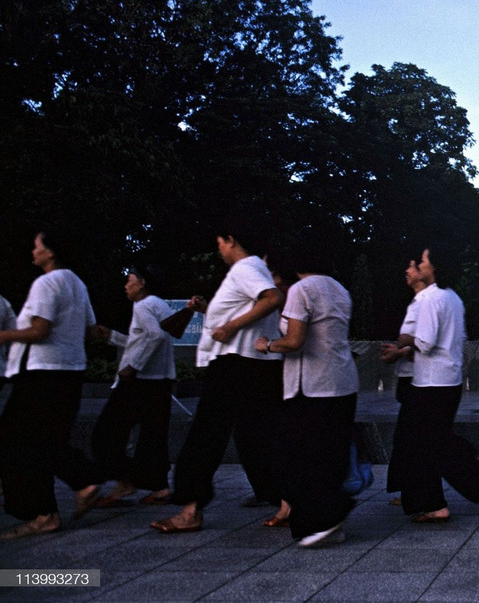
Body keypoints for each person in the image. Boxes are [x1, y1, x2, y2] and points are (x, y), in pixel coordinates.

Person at [152, 222, 285, 534]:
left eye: (220, 244)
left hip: (235, 364)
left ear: (231, 240)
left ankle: (190, 509)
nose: (219, 250)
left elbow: (272, 298)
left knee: (206, 435)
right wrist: (208, 310)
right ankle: (288, 500)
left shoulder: (245, 268)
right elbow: (251, 305)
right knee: (256, 436)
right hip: (254, 364)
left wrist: (231, 327)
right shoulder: (254, 269)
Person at [0, 231, 104, 539]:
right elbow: (91, 331)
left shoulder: (46, 283)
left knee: (14, 439)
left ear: (51, 252)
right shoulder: (77, 283)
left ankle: (77, 485)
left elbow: (40, 330)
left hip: (41, 373)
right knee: (45, 439)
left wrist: (3, 336)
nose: (33, 251)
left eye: (37, 246)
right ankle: (51, 510)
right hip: (70, 372)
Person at [394, 246, 479, 524]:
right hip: (449, 380)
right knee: (429, 442)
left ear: (434, 267)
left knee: (434, 443)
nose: (419, 265)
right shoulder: (453, 298)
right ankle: (435, 503)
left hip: (431, 382)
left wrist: (405, 341)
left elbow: (425, 343)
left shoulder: (431, 298)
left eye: (423, 261)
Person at [254, 252, 357, 547]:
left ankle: (326, 518)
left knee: (297, 456)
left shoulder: (302, 289)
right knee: (329, 456)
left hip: (312, 385)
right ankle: (331, 522)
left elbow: (295, 341)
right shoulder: (340, 289)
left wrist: (267, 345)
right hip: (342, 381)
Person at [90, 266, 176, 508]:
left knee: (105, 433)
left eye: (129, 281)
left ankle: (125, 479)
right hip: (160, 382)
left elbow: (156, 337)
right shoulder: (160, 305)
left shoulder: (143, 305)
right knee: (153, 436)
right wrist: (112, 337)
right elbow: (143, 340)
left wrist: (133, 367)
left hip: (139, 384)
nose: (125, 286)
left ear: (142, 283)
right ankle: (159, 488)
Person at [381, 254, 425, 505]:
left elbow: (427, 344)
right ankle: (409, 490)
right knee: (406, 438)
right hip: (409, 377)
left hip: (420, 380)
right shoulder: (416, 302)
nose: (407, 271)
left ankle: (414, 491)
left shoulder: (430, 302)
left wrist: (400, 351)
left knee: (412, 439)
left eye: (412, 266)